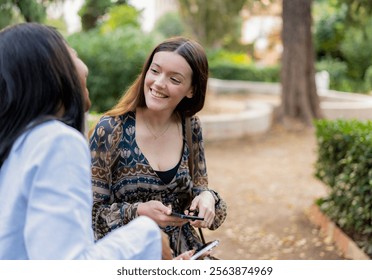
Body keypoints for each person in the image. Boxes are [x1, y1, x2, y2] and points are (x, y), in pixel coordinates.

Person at [0, 22, 164, 260]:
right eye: (73, 54)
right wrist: (147, 236)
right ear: (50, 70)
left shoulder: (16, 146)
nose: (85, 67)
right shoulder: (56, 142)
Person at [89, 36, 228, 257]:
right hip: (132, 258)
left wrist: (208, 198)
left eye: (174, 79)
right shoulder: (110, 130)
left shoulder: (190, 127)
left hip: (188, 256)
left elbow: (199, 191)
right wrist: (139, 212)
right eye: (155, 71)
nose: (159, 83)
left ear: (191, 90)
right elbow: (91, 216)